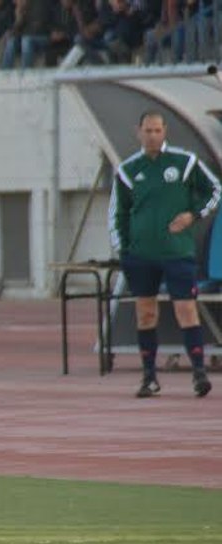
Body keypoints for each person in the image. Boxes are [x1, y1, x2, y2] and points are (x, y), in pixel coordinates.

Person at [109, 111, 220, 399]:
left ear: (165, 131)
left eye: (157, 130)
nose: (153, 136)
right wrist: (124, 250)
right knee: (145, 313)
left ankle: (198, 373)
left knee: (186, 309)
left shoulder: (184, 163)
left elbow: (214, 190)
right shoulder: (128, 170)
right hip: (141, 255)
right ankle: (149, 377)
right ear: (139, 132)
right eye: (148, 131)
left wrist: (192, 215)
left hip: (177, 252)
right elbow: (117, 213)